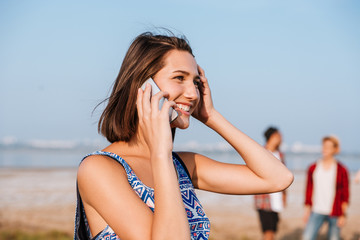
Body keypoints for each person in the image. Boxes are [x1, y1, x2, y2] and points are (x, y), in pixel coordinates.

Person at [74, 30, 294, 240]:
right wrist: (160, 153)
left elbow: (278, 178)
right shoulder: (100, 169)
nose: (193, 94)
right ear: (142, 86)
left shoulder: (182, 165)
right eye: (179, 78)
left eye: (196, 82)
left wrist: (211, 116)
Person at [302, 136, 350, 240]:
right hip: (316, 210)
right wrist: (307, 211)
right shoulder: (313, 167)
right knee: (307, 237)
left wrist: (343, 215)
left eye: (328, 147)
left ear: (335, 149)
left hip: (335, 211)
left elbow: (345, 194)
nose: (325, 149)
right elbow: (309, 190)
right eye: (324, 146)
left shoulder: (342, 170)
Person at [254, 127, 287, 240]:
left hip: (276, 199)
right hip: (263, 199)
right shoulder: (262, 152)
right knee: (268, 231)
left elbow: (284, 176)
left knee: (273, 229)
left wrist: (284, 195)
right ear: (272, 137)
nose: (281, 138)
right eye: (278, 136)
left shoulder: (280, 155)